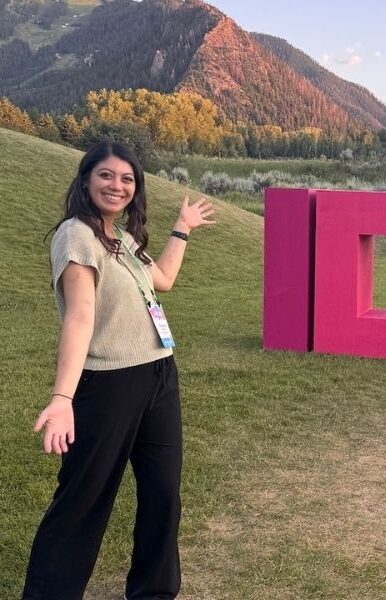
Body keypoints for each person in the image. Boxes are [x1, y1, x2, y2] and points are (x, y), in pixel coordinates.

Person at [22, 141, 215, 600]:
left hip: (158, 376)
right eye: (106, 175)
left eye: (127, 178)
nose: (117, 185)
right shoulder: (77, 235)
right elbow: (79, 317)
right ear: (86, 180)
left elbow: (162, 280)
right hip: (107, 385)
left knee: (163, 492)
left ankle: (154, 591)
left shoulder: (120, 237)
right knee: (83, 501)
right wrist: (62, 398)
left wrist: (182, 229)